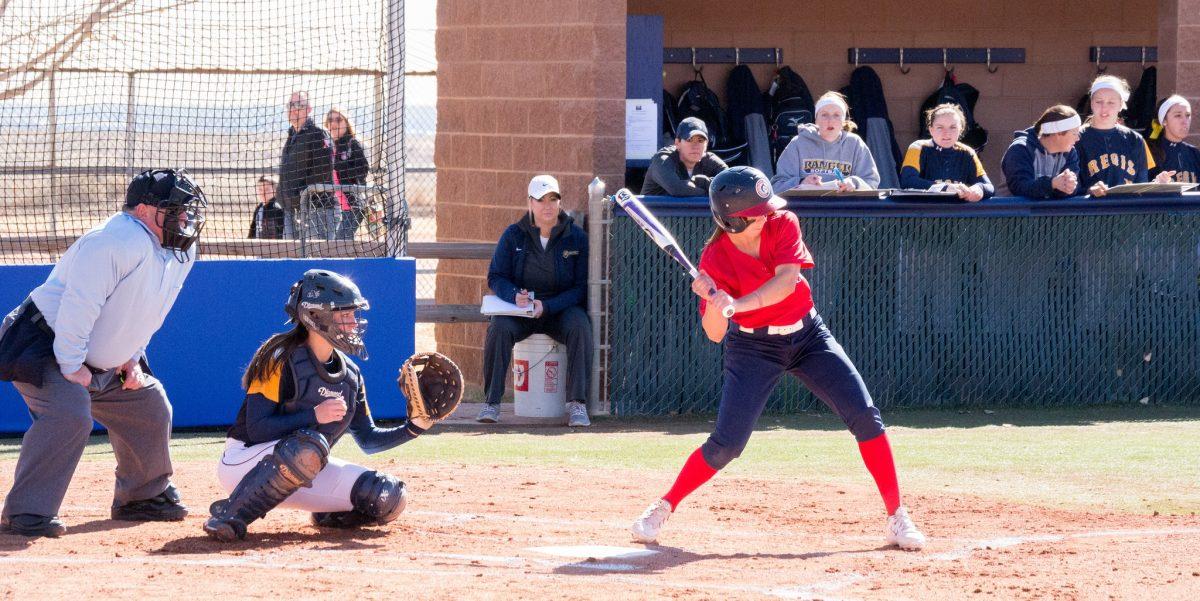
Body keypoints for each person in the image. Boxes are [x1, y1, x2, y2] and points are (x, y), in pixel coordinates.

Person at [629, 166, 925, 551]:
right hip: (753, 349)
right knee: (727, 444)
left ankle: (896, 515)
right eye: (757, 212)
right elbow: (715, 333)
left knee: (865, 416)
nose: (768, 214)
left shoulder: (783, 221)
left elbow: (788, 282)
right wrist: (711, 298)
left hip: (807, 336)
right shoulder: (714, 259)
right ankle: (665, 505)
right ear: (733, 221)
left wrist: (739, 303)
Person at [0, 169, 207, 537]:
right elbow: (78, 308)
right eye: (174, 210)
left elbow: (149, 309)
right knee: (68, 415)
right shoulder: (114, 241)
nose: (183, 219)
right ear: (143, 210)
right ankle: (25, 514)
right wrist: (71, 364)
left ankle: (142, 497)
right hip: (44, 343)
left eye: (185, 211)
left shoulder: (181, 251)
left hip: (92, 353)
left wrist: (131, 355)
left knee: (149, 406)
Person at [204, 270, 435, 541]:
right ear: (315, 316)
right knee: (307, 446)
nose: (352, 324)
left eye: (353, 315)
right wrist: (313, 414)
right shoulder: (279, 358)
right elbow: (256, 429)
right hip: (244, 465)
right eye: (344, 315)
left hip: (304, 470)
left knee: (388, 495)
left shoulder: (351, 375)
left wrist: (415, 427)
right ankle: (230, 516)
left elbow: (368, 439)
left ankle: (330, 516)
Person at [476, 175, 592, 427]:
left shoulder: (577, 237)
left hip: (559, 310)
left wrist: (548, 306)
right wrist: (514, 295)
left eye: (553, 199)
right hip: (522, 311)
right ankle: (491, 403)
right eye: (541, 200)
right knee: (499, 327)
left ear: (560, 202)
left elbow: (581, 288)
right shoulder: (513, 235)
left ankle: (578, 405)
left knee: (580, 324)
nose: (548, 206)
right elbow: (496, 276)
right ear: (530, 202)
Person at [1075, 75, 1171, 197]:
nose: (1104, 107)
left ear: (1121, 105)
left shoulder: (1135, 139)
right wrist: (1089, 191)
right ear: (1092, 103)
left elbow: (1141, 184)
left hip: (1126, 211)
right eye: (1099, 101)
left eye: (1111, 102)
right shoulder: (1076, 138)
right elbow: (1070, 187)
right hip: (1091, 212)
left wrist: (1157, 184)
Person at [771, 91, 881, 192]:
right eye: (824, 115)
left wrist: (854, 183)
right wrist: (802, 182)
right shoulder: (798, 143)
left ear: (844, 121)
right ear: (816, 119)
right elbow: (777, 185)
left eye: (836, 115)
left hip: (846, 208)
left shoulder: (855, 143)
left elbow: (872, 181)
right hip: (808, 209)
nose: (830, 120)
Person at [900, 104, 994, 202]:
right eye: (940, 127)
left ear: (960, 129)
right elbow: (907, 181)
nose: (946, 133)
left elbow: (989, 186)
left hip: (957, 214)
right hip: (924, 213)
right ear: (931, 130)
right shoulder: (918, 147)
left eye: (953, 127)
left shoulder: (968, 152)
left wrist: (979, 189)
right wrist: (944, 188)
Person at [279, 91, 336, 239]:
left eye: (298, 105)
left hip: (316, 209)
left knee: (317, 258)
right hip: (292, 210)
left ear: (309, 109)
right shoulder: (291, 136)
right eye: (290, 105)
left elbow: (323, 172)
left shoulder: (318, 134)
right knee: (289, 257)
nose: (293, 109)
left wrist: (301, 194)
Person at [1000, 105, 1082, 199]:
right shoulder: (1020, 149)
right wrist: (1052, 184)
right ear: (1058, 133)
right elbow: (1019, 188)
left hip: (1050, 213)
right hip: (1013, 212)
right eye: (1075, 133)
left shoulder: (1070, 153)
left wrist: (1068, 187)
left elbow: (1072, 189)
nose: (1078, 138)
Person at [641, 117, 728, 196]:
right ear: (677, 143)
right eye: (689, 140)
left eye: (700, 141)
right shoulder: (662, 159)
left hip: (692, 213)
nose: (695, 146)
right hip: (654, 212)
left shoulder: (710, 160)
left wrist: (706, 182)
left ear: (706, 144)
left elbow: (733, 182)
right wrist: (712, 191)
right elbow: (677, 189)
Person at [326, 107, 370, 240]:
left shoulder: (352, 144)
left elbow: (363, 170)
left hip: (353, 205)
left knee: (340, 245)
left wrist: (340, 166)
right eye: (330, 120)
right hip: (338, 207)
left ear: (346, 123)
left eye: (338, 120)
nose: (333, 124)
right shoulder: (330, 147)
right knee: (341, 245)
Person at [1148, 95, 1200, 184]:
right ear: (1164, 120)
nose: (1185, 121)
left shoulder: (1195, 153)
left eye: (1187, 115)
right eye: (1178, 115)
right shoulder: (1149, 152)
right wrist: (1157, 183)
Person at [248, 174, 285, 239]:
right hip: (258, 246)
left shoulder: (277, 209)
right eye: (260, 189)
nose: (263, 193)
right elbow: (252, 231)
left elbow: (281, 233)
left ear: (274, 191)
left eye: (267, 189)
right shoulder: (259, 208)